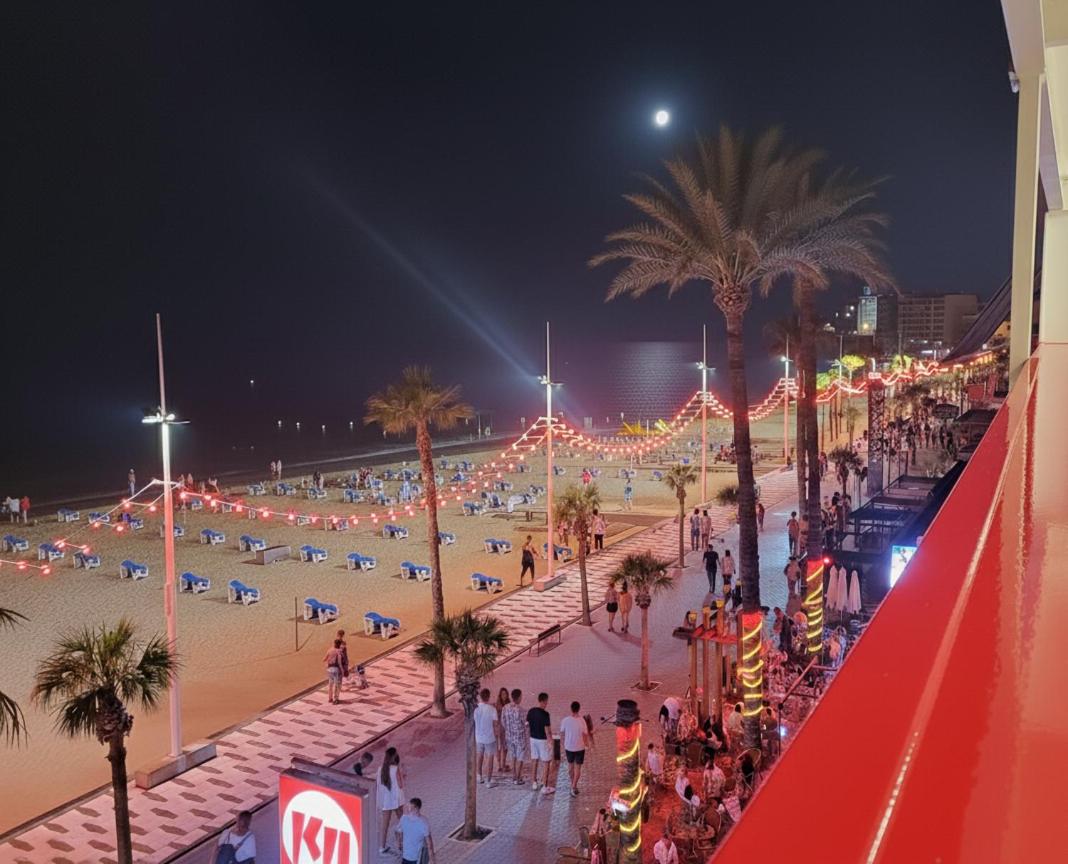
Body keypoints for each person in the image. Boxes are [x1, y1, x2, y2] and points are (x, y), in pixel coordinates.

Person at [559, 700, 591, 797]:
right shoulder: (582, 721)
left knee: (570, 768)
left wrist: (562, 745)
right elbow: (585, 735)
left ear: (571, 709)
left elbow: (562, 733)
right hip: (580, 747)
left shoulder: (565, 720)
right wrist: (587, 745)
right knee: (578, 768)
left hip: (569, 747)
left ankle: (573, 785)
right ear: (579, 709)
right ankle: (574, 786)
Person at [377, 747, 405, 854]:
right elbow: (400, 785)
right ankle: (402, 843)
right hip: (396, 799)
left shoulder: (380, 769)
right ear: (394, 756)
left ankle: (382, 846)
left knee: (385, 824)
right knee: (402, 821)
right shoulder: (395, 769)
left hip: (386, 801)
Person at [527, 692, 553, 794]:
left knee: (534, 760)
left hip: (532, 738)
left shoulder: (531, 711)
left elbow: (527, 724)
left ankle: (534, 783)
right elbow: (547, 730)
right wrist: (550, 741)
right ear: (545, 701)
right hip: (542, 740)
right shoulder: (546, 714)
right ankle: (544, 786)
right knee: (546, 762)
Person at [395, 797, 435, 864]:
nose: (409, 809)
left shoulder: (404, 818)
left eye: (411, 807)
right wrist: (432, 859)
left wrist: (399, 843)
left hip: (408, 856)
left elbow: (398, 831)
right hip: (414, 857)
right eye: (409, 807)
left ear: (417, 808)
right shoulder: (424, 822)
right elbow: (429, 843)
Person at [501, 688, 527, 786]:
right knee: (520, 757)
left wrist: (508, 729)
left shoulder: (505, 708)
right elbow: (525, 723)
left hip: (509, 737)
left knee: (513, 756)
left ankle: (514, 776)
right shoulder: (521, 710)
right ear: (519, 697)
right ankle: (518, 778)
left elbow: (503, 721)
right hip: (519, 737)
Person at [473, 688, 499, 787]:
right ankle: (489, 780)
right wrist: (497, 735)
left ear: (480, 696)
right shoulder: (492, 709)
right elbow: (495, 724)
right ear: (488, 696)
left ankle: (479, 776)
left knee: (480, 755)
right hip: (489, 737)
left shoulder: (476, 708)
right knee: (490, 758)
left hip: (478, 736)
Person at [323, 639, 344, 705]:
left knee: (330, 684)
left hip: (329, 669)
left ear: (334, 643)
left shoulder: (330, 650)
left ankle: (330, 698)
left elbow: (324, 659)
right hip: (336, 669)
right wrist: (342, 671)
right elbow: (339, 663)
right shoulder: (339, 651)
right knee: (337, 684)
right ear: (339, 645)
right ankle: (336, 699)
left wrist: (328, 662)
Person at [495, 687, 511, 774]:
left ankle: (503, 764)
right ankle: (499, 765)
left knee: (505, 747)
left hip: (506, 728)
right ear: (500, 695)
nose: (504, 695)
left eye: (505, 694)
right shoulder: (498, 705)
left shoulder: (508, 703)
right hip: (500, 728)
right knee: (499, 747)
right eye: (502, 694)